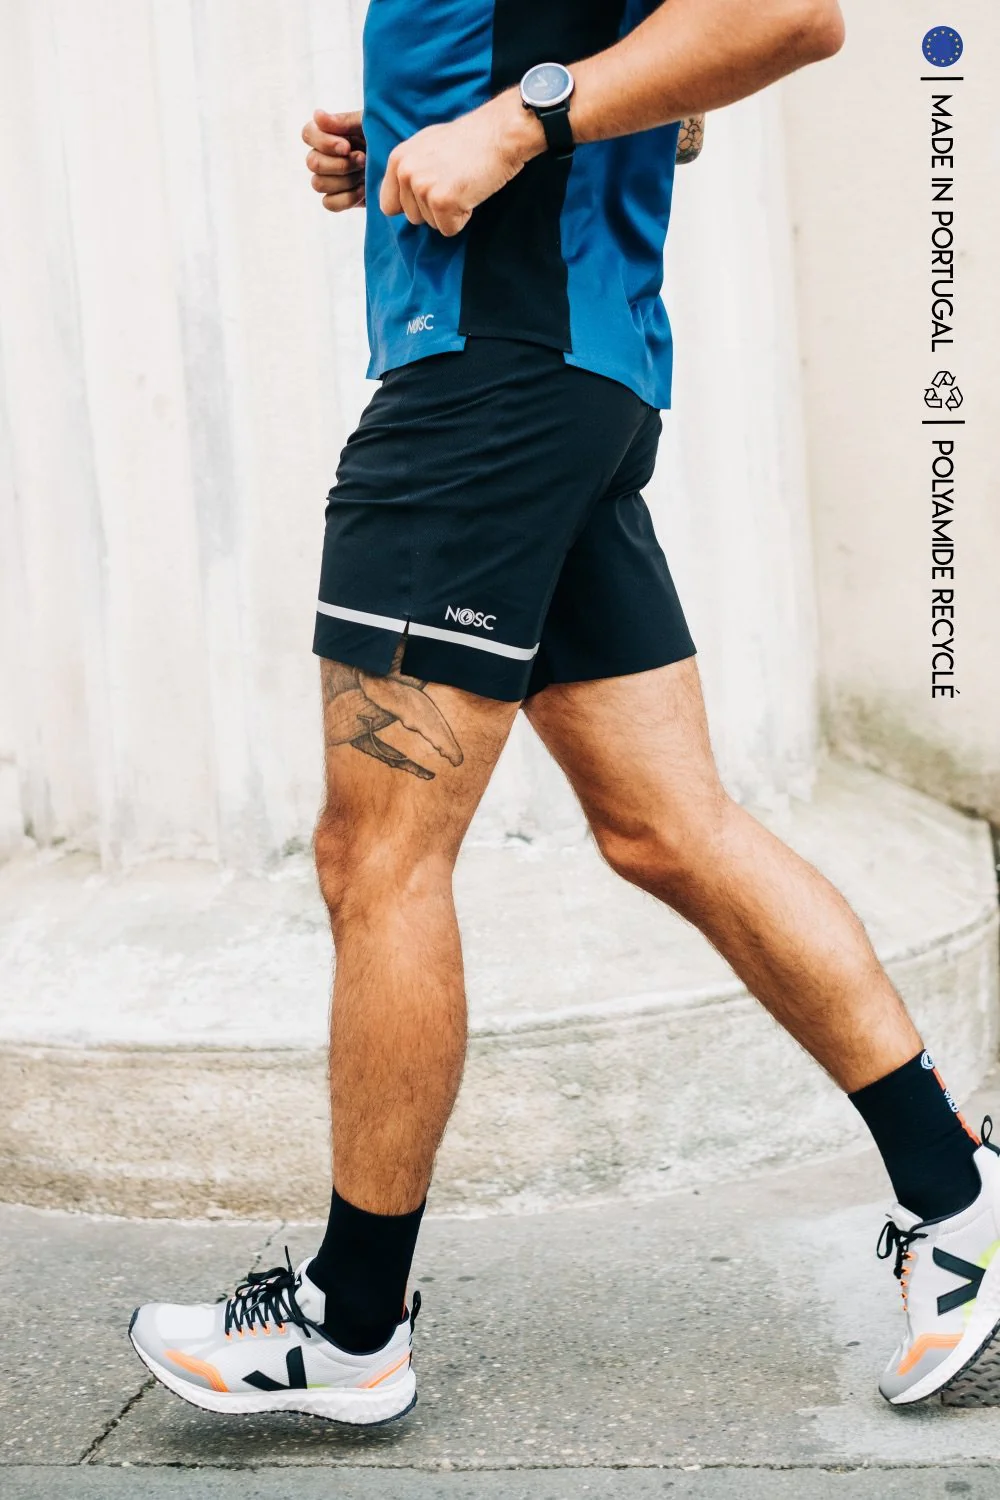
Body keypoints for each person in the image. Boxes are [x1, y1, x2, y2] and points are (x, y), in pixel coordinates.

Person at [128, 0, 1000, 1423]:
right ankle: (960, 1198)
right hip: (550, 375)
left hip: (493, 389)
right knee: (670, 827)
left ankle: (350, 1326)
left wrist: (513, 122)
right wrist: (418, 136)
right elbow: (672, 84)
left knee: (377, 856)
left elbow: (784, 15)